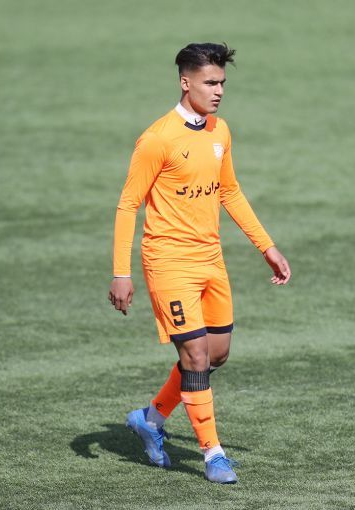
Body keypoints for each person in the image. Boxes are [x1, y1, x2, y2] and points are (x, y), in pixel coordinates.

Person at [108, 42, 291, 484]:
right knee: (194, 356)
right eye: (210, 83)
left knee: (215, 355)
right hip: (169, 263)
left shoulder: (219, 131)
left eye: (222, 82)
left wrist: (266, 246)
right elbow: (128, 204)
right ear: (185, 82)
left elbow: (229, 191)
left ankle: (150, 419)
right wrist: (121, 272)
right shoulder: (157, 139)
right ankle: (213, 455)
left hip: (211, 259)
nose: (219, 91)